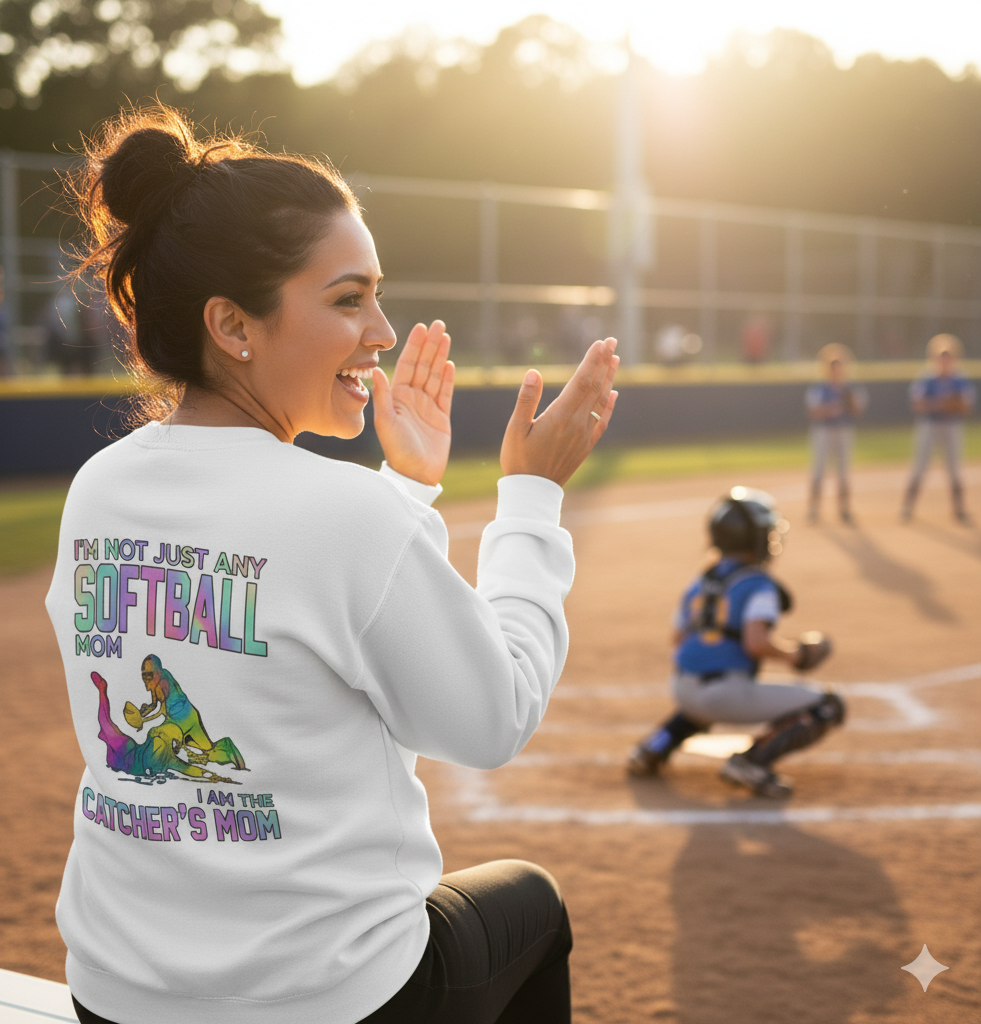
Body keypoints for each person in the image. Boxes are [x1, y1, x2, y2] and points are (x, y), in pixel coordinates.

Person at [45, 105, 619, 1024]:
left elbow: (293, 593)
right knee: (535, 907)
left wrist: (407, 487)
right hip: (322, 1001)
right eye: (349, 300)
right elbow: (494, 718)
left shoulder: (98, 489)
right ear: (232, 323)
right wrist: (531, 498)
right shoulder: (341, 513)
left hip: (115, 997)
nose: (383, 331)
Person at [626, 487, 844, 798]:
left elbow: (677, 638)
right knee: (828, 705)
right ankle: (751, 762)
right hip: (723, 695)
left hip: (682, 688)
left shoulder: (701, 581)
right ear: (754, 538)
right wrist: (796, 655)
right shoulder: (759, 583)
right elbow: (756, 643)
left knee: (699, 705)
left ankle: (653, 746)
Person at [901, 333, 976, 524]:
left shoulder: (959, 379)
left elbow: (967, 406)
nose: (944, 360)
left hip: (951, 425)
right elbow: (917, 403)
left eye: (948, 356)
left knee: (954, 468)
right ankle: (907, 507)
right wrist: (943, 403)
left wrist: (945, 404)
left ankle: (958, 509)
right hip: (930, 425)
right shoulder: (927, 379)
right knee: (920, 466)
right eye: (941, 356)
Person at [804, 343, 868, 524]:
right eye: (833, 366)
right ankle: (814, 508)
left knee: (843, 471)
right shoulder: (820, 387)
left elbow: (858, 410)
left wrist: (849, 403)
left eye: (839, 365)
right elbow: (813, 411)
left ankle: (844, 508)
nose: (836, 369)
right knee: (818, 470)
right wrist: (831, 408)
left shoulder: (850, 388)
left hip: (843, 430)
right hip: (824, 430)